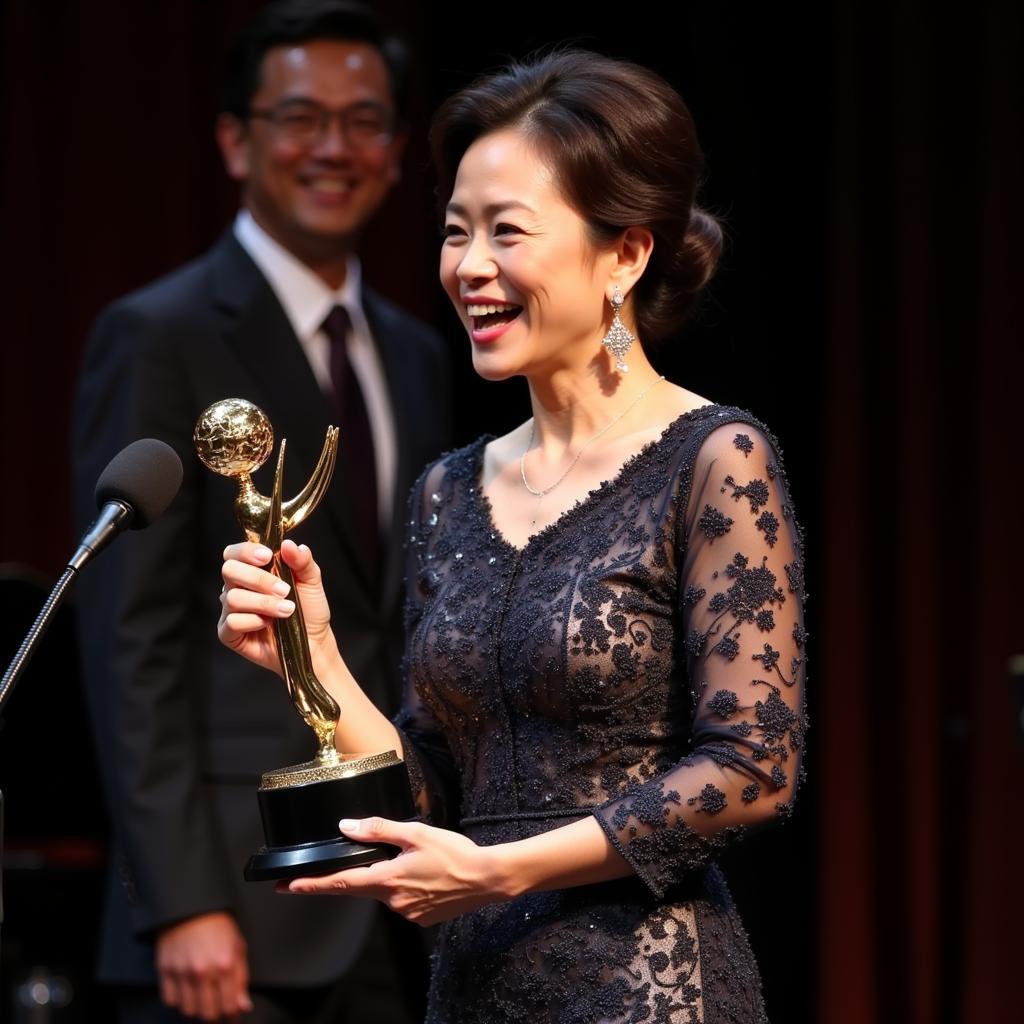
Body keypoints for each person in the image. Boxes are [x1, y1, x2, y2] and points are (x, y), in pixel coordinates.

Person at [219, 49, 808, 1023]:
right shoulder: (449, 491)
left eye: (507, 231)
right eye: (455, 233)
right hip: (475, 986)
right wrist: (307, 653)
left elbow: (751, 769)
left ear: (625, 253)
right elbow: (431, 789)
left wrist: (500, 871)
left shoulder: (713, 456)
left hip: (648, 987)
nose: (470, 267)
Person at [71, 2, 450, 1021]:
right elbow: (128, 638)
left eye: (364, 121)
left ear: (397, 149)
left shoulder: (418, 352)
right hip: (232, 907)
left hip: (399, 883)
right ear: (237, 141)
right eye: (299, 117)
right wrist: (180, 900)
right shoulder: (158, 333)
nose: (333, 147)